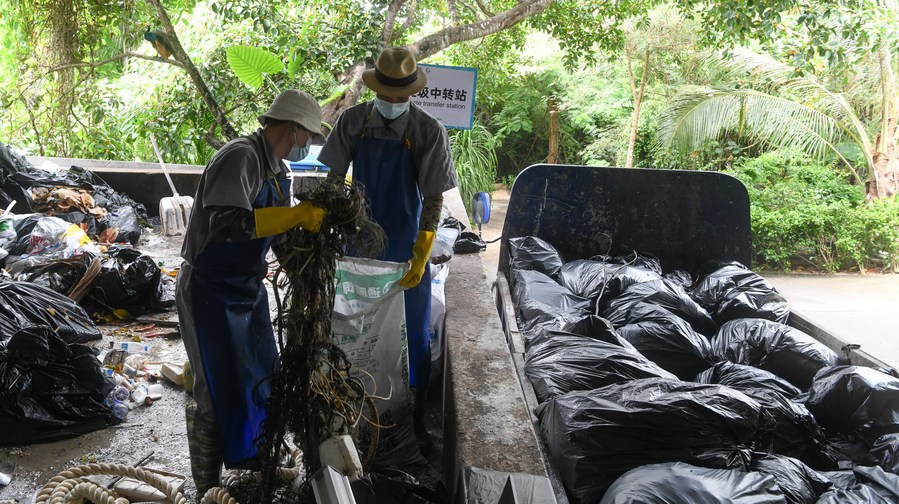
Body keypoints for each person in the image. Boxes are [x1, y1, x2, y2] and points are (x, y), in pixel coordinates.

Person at [176, 89, 327, 496]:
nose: (308, 144)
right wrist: (296, 214)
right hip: (208, 289)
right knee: (214, 384)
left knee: (262, 374)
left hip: (246, 288)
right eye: (308, 135)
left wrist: (309, 282)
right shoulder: (240, 157)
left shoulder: (279, 172)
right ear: (293, 128)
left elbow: (276, 239)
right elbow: (230, 224)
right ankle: (206, 488)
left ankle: (251, 460)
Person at [319, 46, 458, 456]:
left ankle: (412, 424)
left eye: (403, 98)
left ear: (411, 94)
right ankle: (350, 414)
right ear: (377, 89)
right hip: (356, 244)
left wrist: (422, 252)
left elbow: (433, 199)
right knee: (352, 331)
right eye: (389, 97)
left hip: (404, 249)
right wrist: (326, 230)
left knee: (412, 336)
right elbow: (331, 179)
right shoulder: (353, 121)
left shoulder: (428, 130)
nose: (396, 104)